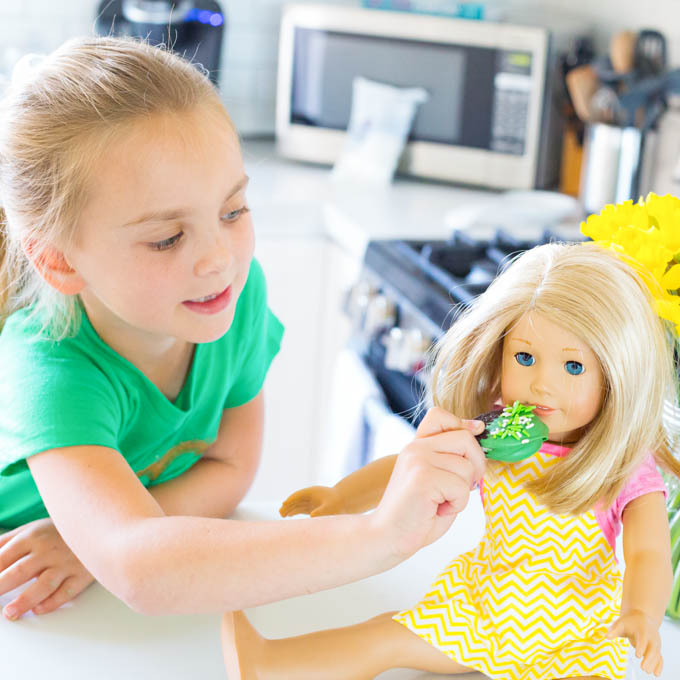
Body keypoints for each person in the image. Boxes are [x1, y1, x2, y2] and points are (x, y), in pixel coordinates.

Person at [0, 37, 485, 622]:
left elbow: (230, 467)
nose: (218, 259)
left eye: (233, 211)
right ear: (60, 261)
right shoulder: (50, 367)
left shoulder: (229, 295)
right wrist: (380, 535)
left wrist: (96, 539)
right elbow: (142, 572)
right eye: (166, 238)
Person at [223, 239, 680, 680]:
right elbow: (412, 469)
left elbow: (648, 552)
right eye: (524, 357)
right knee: (385, 635)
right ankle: (265, 665)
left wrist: (640, 612)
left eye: (573, 366)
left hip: (577, 633)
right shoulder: (494, 436)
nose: (542, 384)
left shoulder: (621, 464)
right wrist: (342, 496)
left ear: (616, 375)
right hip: (486, 607)